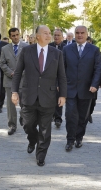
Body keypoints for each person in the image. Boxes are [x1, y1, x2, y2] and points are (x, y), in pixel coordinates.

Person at [11, 25, 67, 166]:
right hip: (28, 95)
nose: (49, 36)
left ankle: (41, 155)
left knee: (45, 128)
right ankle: (32, 139)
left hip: (48, 96)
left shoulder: (57, 53)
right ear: (37, 36)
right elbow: (17, 73)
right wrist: (14, 92)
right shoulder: (26, 51)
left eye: (50, 33)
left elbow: (62, 76)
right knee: (27, 124)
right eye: (45, 33)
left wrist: (63, 95)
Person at [63, 25, 101, 151]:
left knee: (83, 116)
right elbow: (62, 69)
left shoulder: (94, 50)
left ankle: (79, 137)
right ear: (74, 34)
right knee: (70, 115)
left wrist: (95, 84)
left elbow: (98, 69)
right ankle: (70, 140)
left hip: (87, 89)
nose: (79, 35)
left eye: (82, 33)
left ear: (86, 34)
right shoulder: (67, 49)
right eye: (77, 33)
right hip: (70, 88)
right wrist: (60, 85)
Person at [0, 27, 28, 135]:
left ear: (19, 34)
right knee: (11, 105)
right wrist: (11, 72)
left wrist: (20, 73)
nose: (15, 37)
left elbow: (30, 63)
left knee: (24, 103)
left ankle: (23, 118)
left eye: (17, 35)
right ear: (10, 36)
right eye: (13, 35)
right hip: (9, 80)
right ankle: (12, 125)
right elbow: (2, 63)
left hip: (23, 80)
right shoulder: (5, 49)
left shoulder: (27, 47)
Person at [49, 29, 66, 127]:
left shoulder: (66, 48)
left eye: (58, 35)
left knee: (59, 97)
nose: (56, 37)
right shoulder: (49, 46)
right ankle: (50, 115)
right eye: (55, 35)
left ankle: (58, 118)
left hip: (60, 76)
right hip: (50, 76)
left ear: (62, 37)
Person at [86, 36, 96, 123]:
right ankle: (86, 114)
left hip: (92, 83)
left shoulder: (95, 51)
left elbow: (98, 68)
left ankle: (89, 113)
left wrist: (96, 82)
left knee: (93, 102)